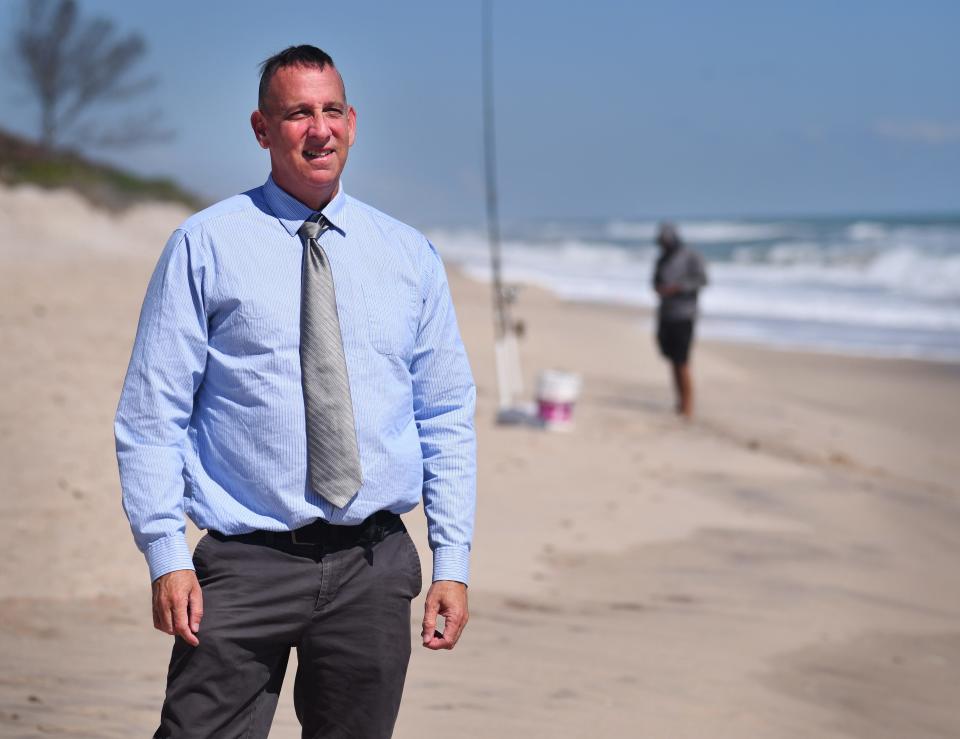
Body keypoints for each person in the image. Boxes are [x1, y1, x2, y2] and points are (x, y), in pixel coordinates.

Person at [114, 45, 476, 738]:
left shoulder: (408, 255)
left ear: (353, 121)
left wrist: (451, 562)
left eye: (331, 110)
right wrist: (165, 553)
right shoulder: (204, 245)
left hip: (372, 565)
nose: (319, 129)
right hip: (244, 564)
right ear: (261, 128)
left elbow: (446, 414)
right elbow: (151, 414)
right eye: (298, 113)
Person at [652, 222, 708, 418]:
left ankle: (688, 407)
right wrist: (660, 289)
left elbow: (702, 280)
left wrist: (678, 288)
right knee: (671, 360)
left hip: (684, 315)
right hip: (665, 314)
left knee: (682, 361)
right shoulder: (662, 259)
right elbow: (655, 282)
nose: (663, 244)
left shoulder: (691, 257)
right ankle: (679, 401)